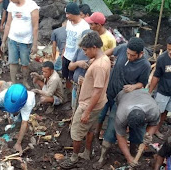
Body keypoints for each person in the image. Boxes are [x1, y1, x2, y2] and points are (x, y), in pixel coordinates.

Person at [60, 31, 111, 169]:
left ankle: (74, 158)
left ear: (94, 47)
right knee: (89, 129)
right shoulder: (102, 59)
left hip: (89, 104)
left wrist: (86, 111)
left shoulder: (99, 66)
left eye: (85, 50)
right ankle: (87, 152)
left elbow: (97, 90)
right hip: (96, 103)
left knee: (76, 132)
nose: (85, 53)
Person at [96, 37, 151, 143]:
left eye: (133, 55)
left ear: (141, 54)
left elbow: (142, 84)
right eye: (128, 54)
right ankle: (96, 136)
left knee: (114, 120)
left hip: (122, 98)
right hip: (108, 91)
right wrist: (102, 59)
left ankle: (109, 141)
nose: (129, 57)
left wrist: (133, 86)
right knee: (99, 116)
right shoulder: (123, 48)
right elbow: (110, 51)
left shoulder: (145, 65)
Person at [93, 89, 160, 169]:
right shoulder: (121, 114)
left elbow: (154, 124)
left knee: (139, 134)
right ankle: (102, 157)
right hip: (122, 97)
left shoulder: (153, 111)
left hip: (142, 97)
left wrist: (148, 135)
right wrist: (128, 158)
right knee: (111, 131)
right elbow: (120, 136)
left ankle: (133, 152)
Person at [0, 84, 35, 155]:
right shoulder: (5, 94)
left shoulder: (27, 104)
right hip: (7, 104)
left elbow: (24, 123)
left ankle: (16, 129)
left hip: (20, 108)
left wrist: (18, 143)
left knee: (18, 121)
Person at [1, 0, 39, 89]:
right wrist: (4, 40)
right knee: (12, 62)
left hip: (26, 41)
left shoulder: (32, 6)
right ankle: (13, 82)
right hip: (12, 39)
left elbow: (35, 27)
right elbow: (8, 24)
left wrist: (34, 44)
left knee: (25, 63)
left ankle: (25, 81)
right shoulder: (11, 5)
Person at [63, 2, 90, 89]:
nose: (66, 16)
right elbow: (67, 38)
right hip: (67, 54)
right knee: (65, 75)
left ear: (74, 13)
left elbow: (85, 44)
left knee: (74, 78)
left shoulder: (84, 26)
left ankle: (73, 95)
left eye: (68, 13)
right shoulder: (68, 23)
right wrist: (63, 52)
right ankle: (68, 93)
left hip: (76, 57)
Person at [68, 29, 92, 112]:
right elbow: (70, 66)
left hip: (86, 90)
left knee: (81, 111)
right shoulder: (79, 50)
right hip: (76, 86)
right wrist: (78, 63)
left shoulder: (95, 55)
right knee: (74, 108)